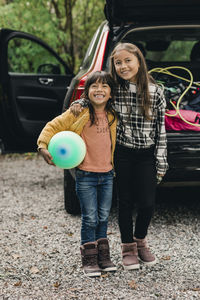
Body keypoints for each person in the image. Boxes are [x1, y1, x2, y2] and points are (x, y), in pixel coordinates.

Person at [70, 43, 168, 270]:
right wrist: (80, 101)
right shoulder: (115, 89)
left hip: (146, 155)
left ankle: (140, 240)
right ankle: (127, 247)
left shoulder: (155, 92)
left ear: (139, 61)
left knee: (147, 203)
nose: (123, 66)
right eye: (118, 62)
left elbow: (161, 130)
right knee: (124, 202)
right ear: (113, 66)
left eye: (128, 61)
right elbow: (96, 96)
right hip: (122, 153)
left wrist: (161, 160)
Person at [37, 71, 117, 277]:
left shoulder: (113, 115)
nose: (99, 90)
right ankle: (89, 258)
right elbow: (53, 126)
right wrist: (43, 145)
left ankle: (103, 255)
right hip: (86, 176)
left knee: (103, 216)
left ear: (111, 93)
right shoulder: (77, 113)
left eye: (104, 86)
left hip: (107, 175)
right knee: (90, 217)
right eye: (94, 86)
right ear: (86, 92)